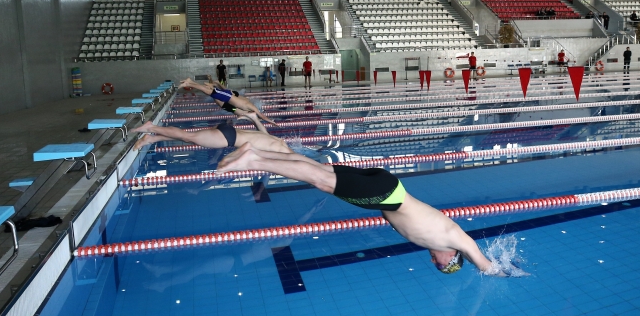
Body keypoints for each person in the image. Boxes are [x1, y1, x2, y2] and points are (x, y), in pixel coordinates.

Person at [217, 144, 525, 277]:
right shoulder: (454, 239)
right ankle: (254, 162)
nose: (434, 260)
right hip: (386, 194)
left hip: (385, 187)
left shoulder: (434, 242)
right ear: (453, 258)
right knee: (321, 179)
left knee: (318, 171)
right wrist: (511, 273)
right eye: (440, 264)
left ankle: (256, 152)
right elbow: (485, 265)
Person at [131, 112, 291, 153]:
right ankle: (152, 128)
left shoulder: (278, 141)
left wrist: (254, 119)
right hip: (227, 138)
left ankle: (151, 139)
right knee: (187, 136)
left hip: (229, 131)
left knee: (189, 139)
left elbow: (264, 133)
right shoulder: (283, 150)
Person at [180, 78, 277, 126]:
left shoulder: (248, 112)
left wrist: (267, 121)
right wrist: (271, 122)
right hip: (229, 97)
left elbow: (258, 119)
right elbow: (262, 117)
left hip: (229, 103)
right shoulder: (251, 107)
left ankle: (193, 83)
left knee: (213, 95)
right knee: (211, 92)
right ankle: (190, 82)